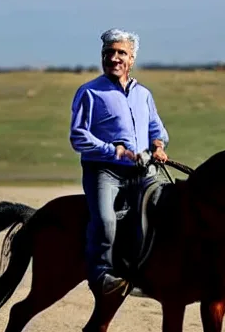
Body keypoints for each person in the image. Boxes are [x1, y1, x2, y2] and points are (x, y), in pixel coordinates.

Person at [69, 28, 169, 295]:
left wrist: (158, 146)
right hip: (103, 171)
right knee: (105, 220)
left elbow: (156, 129)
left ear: (131, 58)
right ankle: (101, 275)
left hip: (142, 171)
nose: (114, 58)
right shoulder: (89, 92)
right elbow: (78, 137)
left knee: (166, 211)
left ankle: (150, 273)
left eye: (121, 53)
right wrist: (116, 151)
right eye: (109, 53)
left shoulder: (143, 95)